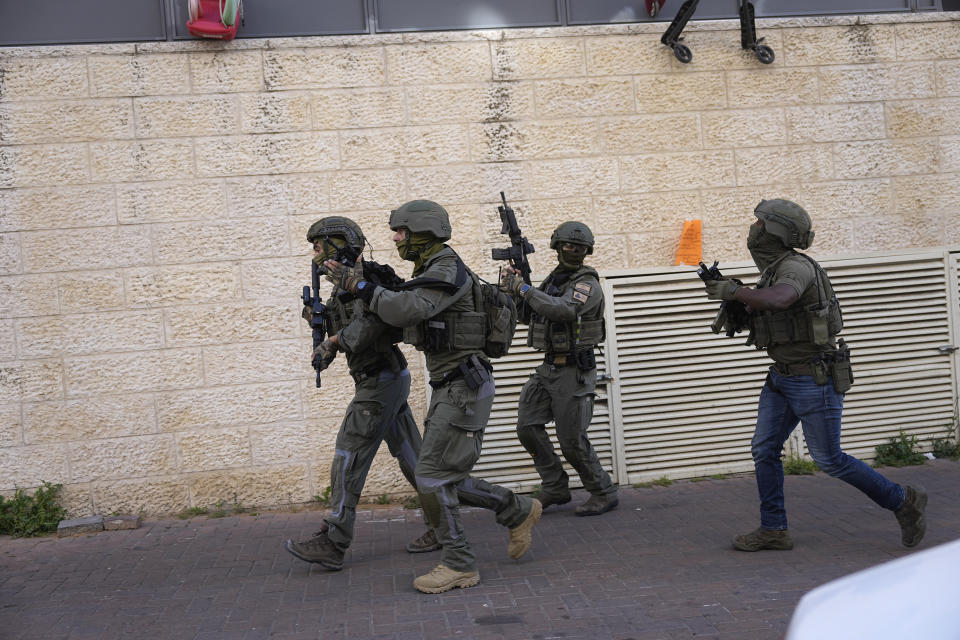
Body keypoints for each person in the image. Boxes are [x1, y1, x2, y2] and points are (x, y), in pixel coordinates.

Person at [323, 200, 542, 594]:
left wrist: (358, 285)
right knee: (441, 476)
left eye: (401, 231)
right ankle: (517, 509)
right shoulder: (430, 267)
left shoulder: (444, 266)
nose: (395, 238)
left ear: (421, 232)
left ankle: (459, 563)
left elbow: (407, 308)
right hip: (452, 385)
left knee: (432, 476)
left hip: (463, 386)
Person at [702, 199, 927, 551]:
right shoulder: (773, 269)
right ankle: (774, 528)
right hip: (781, 378)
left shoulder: (795, 268)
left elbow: (780, 299)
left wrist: (736, 291)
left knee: (829, 459)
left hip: (813, 379)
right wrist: (738, 301)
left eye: (759, 223)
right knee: (764, 450)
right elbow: (767, 309)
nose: (754, 229)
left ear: (776, 231)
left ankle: (903, 501)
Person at [284, 216, 440, 570]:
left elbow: (373, 322)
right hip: (386, 378)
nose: (314, 252)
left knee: (347, 457)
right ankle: (445, 524)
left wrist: (334, 341)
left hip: (379, 382)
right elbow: (351, 324)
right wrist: (319, 322)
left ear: (339, 243)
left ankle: (334, 541)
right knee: (415, 460)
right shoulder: (341, 285)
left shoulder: (366, 280)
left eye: (319, 244)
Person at [500, 222, 619, 516]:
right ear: (556, 247)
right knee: (527, 427)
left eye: (579, 248)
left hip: (574, 371)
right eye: (567, 246)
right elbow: (533, 314)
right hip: (549, 367)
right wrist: (516, 290)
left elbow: (563, 310)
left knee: (571, 440)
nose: (573, 251)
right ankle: (555, 485)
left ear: (587, 251)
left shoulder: (586, 284)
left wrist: (525, 288)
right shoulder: (555, 281)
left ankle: (603, 492)